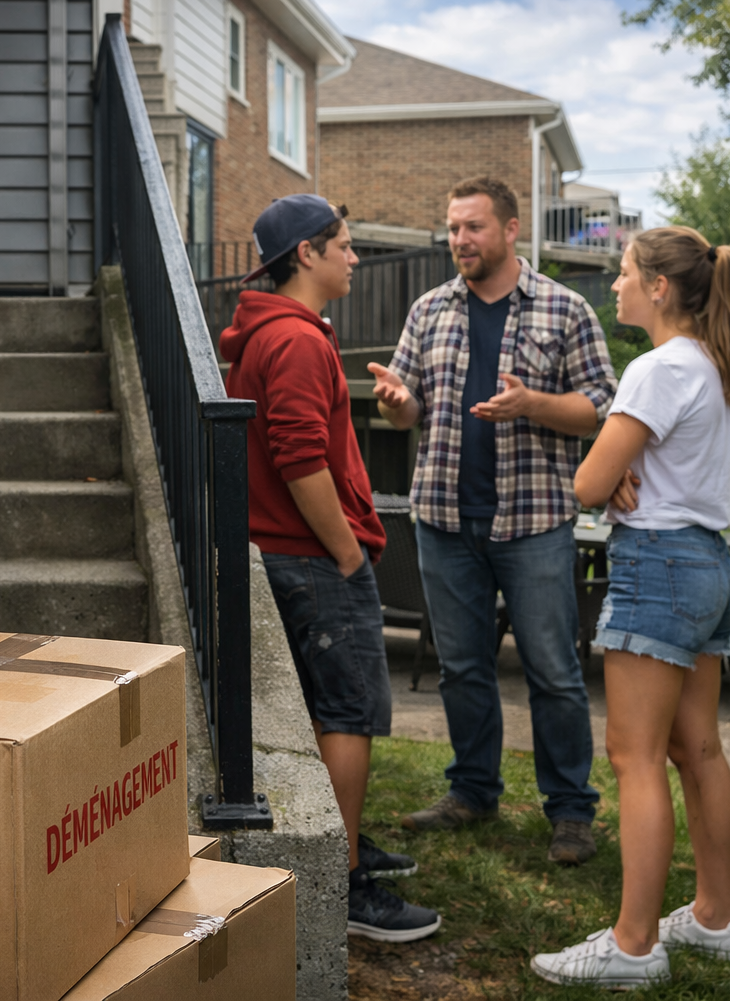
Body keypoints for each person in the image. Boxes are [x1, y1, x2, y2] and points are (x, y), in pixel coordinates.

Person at [532, 228, 730, 988]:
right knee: (700, 751)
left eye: (625, 273)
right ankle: (715, 919)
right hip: (709, 565)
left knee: (635, 758)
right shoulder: (714, 362)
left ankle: (633, 946)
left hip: (658, 566)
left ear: (659, 287)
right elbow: (642, 465)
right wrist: (624, 462)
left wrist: (613, 465)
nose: (616, 286)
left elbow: (588, 486)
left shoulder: (657, 368)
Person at [368, 176, 616, 864]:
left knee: (553, 671)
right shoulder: (428, 310)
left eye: (473, 227)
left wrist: (533, 403)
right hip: (445, 519)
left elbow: (598, 406)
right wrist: (395, 402)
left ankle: (570, 810)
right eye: (453, 228)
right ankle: (473, 791)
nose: (460, 240)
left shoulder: (564, 309)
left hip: (534, 522)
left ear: (510, 229)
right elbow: (407, 407)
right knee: (462, 668)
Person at [221, 194, 441, 942]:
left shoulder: (279, 332)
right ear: (307, 254)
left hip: (290, 553)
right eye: (344, 245)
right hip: (313, 558)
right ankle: (343, 888)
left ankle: (339, 844)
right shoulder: (294, 340)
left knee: (327, 709)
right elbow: (298, 457)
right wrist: (347, 552)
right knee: (351, 711)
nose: (355, 257)